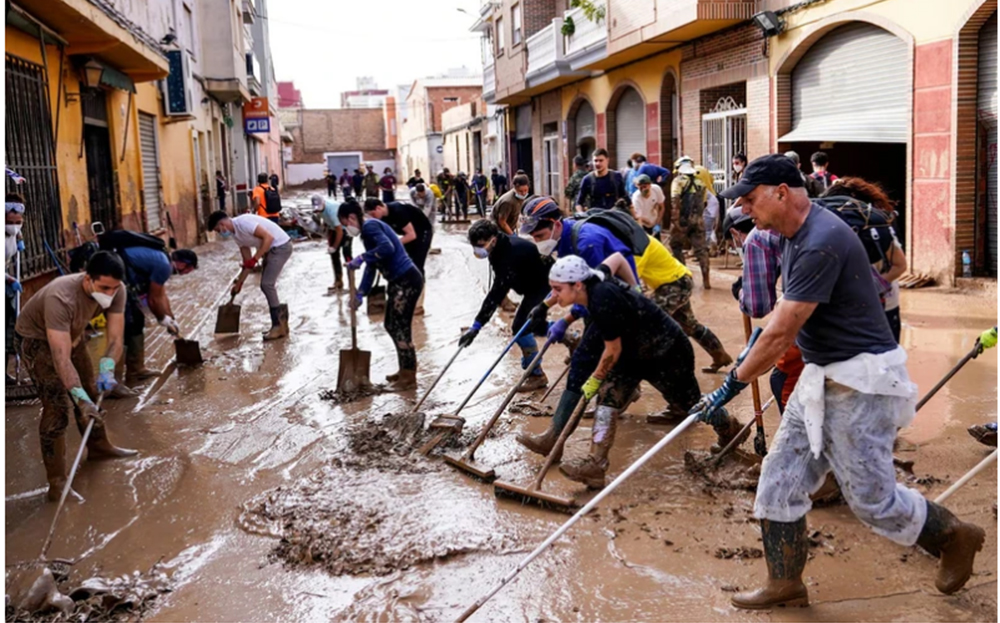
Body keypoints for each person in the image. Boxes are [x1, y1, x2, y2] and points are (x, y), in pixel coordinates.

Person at [701, 154, 984, 609]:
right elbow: (780, 316)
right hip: (821, 374)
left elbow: (784, 329)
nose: (746, 211)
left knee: (872, 500)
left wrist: (729, 384)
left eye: (751, 200)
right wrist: (749, 352)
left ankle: (953, 536)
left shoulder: (820, 241)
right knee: (780, 478)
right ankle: (785, 582)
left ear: (781, 192)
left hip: (862, 381)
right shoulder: (791, 235)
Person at [544, 254, 714, 489]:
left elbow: (612, 349)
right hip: (633, 355)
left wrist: (594, 378)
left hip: (666, 351)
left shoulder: (602, 297)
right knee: (608, 399)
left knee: (693, 406)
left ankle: (729, 427)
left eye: (557, 289)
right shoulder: (590, 295)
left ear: (578, 285)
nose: (554, 295)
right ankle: (596, 464)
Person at [15, 251, 138, 501]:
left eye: (114, 288)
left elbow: (115, 338)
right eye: (104, 287)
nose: (109, 294)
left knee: (92, 393)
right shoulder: (61, 297)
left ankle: (98, 446)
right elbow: (60, 358)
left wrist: (107, 366)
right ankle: (57, 483)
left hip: (73, 334)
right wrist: (78, 396)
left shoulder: (117, 289)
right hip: (37, 341)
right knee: (58, 408)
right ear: (87, 279)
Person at [340, 199, 424, 390]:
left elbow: (387, 248)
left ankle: (408, 378)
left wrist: (362, 257)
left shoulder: (370, 227)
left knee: (399, 327)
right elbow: (372, 266)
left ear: (352, 217)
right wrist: (361, 293)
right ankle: (405, 370)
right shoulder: (368, 233)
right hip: (399, 281)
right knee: (391, 324)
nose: (347, 229)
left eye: (346, 224)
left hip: (406, 281)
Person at [460, 219, 551, 392]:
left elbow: (497, 292)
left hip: (543, 285)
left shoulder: (510, 252)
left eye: (480, 245)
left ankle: (537, 375)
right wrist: (476, 326)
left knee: (521, 327)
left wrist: (477, 325)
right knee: (532, 326)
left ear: (493, 239)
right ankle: (567, 335)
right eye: (474, 246)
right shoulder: (497, 248)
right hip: (529, 286)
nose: (477, 250)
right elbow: (499, 286)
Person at [820, 178, 908, 342]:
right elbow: (900, 266)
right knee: (886, 359)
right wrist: (874, 288)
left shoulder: (825, 228)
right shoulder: (880, 225)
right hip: (885, 303)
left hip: (845, 307)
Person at [636, 233, 732, 373]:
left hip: (673, 284)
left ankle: (663, 369)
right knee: (689, 325)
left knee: (648, 324)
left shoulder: (636, 244)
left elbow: (630, 279)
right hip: (678, 280)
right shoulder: (639, 238)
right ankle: (719, 355)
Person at [115, 237, 198, 388]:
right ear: (182, 263)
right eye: (188, 269)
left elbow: (161, 295)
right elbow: (153, 300)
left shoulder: (163, 261)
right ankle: (116, 382)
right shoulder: (164, 266)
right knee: (127, 327)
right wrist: (162, 319)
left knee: (137, 321)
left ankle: (137, 369)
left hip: (125, 278)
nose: (186, 274)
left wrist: (171, 318)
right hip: (116, 279)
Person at [208, 210, 292, 340]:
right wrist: (239, 283)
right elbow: (247, 263)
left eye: (218, 230)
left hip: (281, 246)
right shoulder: (237, 236)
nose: (220, 233)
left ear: (222, 224)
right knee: (267, 284)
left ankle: (278, 326)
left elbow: (268, 238)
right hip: (271, 250)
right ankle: (282, 325)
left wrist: (256, 258)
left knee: (267, 284)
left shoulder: (244, 223)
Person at [363, 198, 433, 314]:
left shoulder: (398, 211)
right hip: (408, 235)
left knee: (417, 266)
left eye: (373, 214)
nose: (373, 217)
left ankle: (418, 305)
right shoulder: (382, 218)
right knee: (402, 263)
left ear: (379, 208)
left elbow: (411, 235)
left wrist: (393, 245)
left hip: (422, 233)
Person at [669, 156, 711, 289]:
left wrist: (675, 222)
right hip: (698, 220)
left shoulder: (678, 182)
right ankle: (706, 280)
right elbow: (704, 203)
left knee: (676, 246)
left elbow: (675, 203)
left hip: (683, 221)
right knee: (701, 250)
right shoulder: (701, 183)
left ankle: (684, 277)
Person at [312, 195, 350, 293]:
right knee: (334, 256)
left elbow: (340, 231)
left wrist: (334, 246)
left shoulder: (333, 210)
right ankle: (338, 281)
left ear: (324, 203)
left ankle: (351, 283)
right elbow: (323, 218)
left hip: (346, 229)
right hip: (334, 228)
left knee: (347, 255)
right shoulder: (319, 210)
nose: (318, 211)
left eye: (319, 209)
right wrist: (325, 227)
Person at [5, 195, 25, 382]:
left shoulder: (14, 232)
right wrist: (10, 279)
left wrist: (19, 236)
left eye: (18, 222)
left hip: (6, 284)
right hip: (5, 280)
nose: (14, 225)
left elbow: (17, 232)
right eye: (10, 222)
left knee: (9, 326)